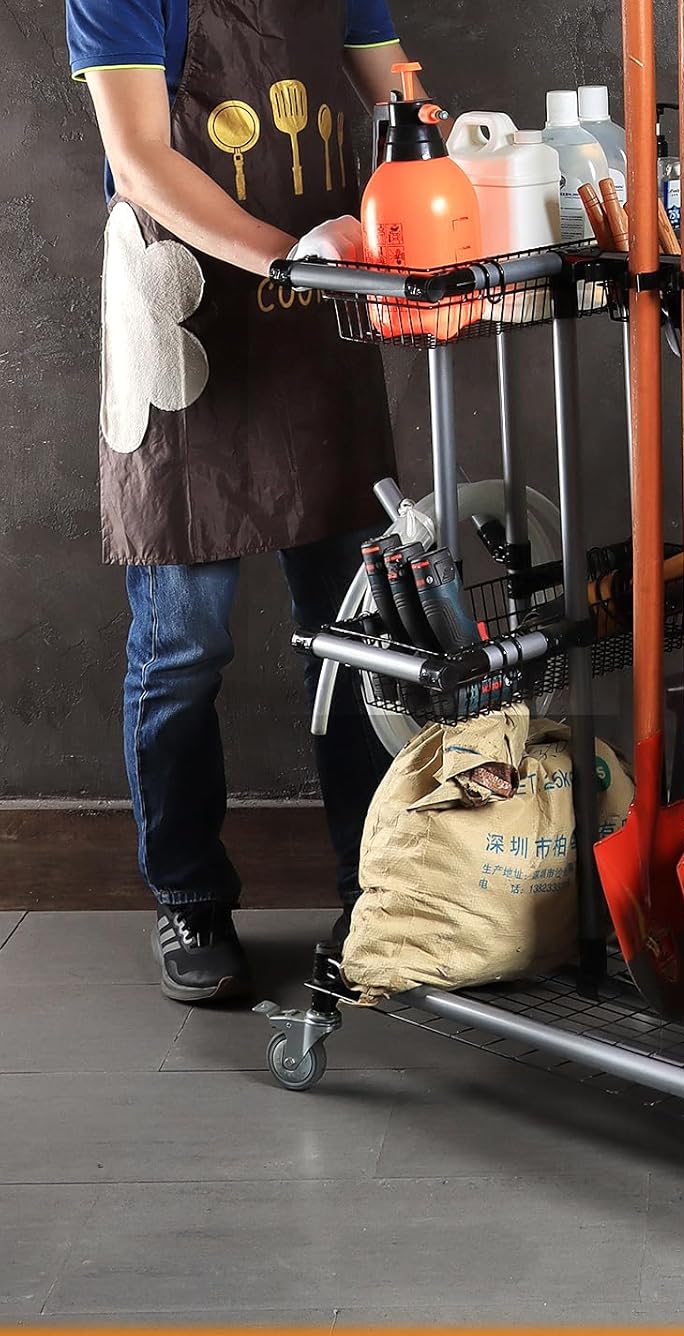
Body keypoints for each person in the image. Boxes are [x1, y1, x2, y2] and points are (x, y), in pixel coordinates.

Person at [67, 1, 416, 1003]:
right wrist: (294, 258)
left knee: (360, 643)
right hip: (184, 323)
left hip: (320, 327)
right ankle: (189, 896)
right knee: (182, 649)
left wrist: (452, 179)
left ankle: (373, 892)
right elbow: (141, 160)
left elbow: (398, 99)